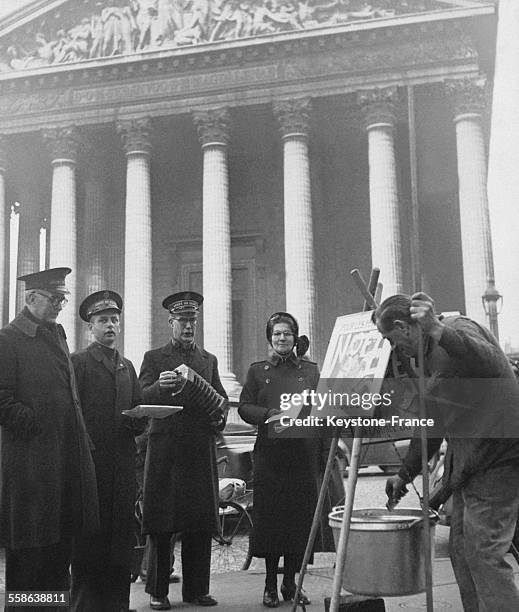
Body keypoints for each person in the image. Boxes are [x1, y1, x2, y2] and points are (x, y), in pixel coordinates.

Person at [375, 292, 519, 611]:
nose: (392, 348)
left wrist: (438, 330)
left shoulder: (456, 329)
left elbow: (491, 362)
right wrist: (403, 475)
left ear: (402, 327)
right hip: (472, 465)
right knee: (461, 550)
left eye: (389, 339)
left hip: (500, 460)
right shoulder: (424, 360)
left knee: (483, 554)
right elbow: (432, 425)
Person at [0, 268, 99, 611]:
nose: (60, 305)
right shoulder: (8, 339)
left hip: (63, 467)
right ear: (30, 299)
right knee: (29, 558)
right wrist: (39, 425)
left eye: (62, 299)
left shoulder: (56, 335)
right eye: (54, 299)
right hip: (30, 471)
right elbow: (1, 400)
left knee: (59, 555)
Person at [238, 312, 342, 608]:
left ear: (295, 338)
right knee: (272, 522)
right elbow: (245, 406)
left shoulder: (310, 371)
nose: (282, 338)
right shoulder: (258, 371)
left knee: (300, 522)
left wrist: (324, 455)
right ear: (270, 338)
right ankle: (270, 583)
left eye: (287, 334)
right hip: (271, 458)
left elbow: (323, 412)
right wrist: (267, 415)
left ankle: (290, 583)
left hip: (303, 456)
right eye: (277, 334)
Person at [140, 291, 228, 610]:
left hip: (198, 451)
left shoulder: (209, 360)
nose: (189, 327)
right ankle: (158, 591)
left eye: (192, 321)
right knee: (162, 524)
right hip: (166, 451)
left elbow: (220, 402)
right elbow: (141, 400)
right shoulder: (153, 359)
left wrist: (220, 414)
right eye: (182, 321)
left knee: (199, 523)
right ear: (171, 323)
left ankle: (196, 590)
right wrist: (157, 387)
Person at [70, 290, 145, 612]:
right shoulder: (79, 363)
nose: (111, 326)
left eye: (115, 319)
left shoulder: (127, 366)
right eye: (103, 321)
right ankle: (85, 606)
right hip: (92, 471)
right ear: (91, 328)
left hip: (123, 471)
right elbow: (73, 416)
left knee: (120, 544)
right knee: (89, 545)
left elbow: (137, 409)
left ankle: (118, 605)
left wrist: (141, 420)